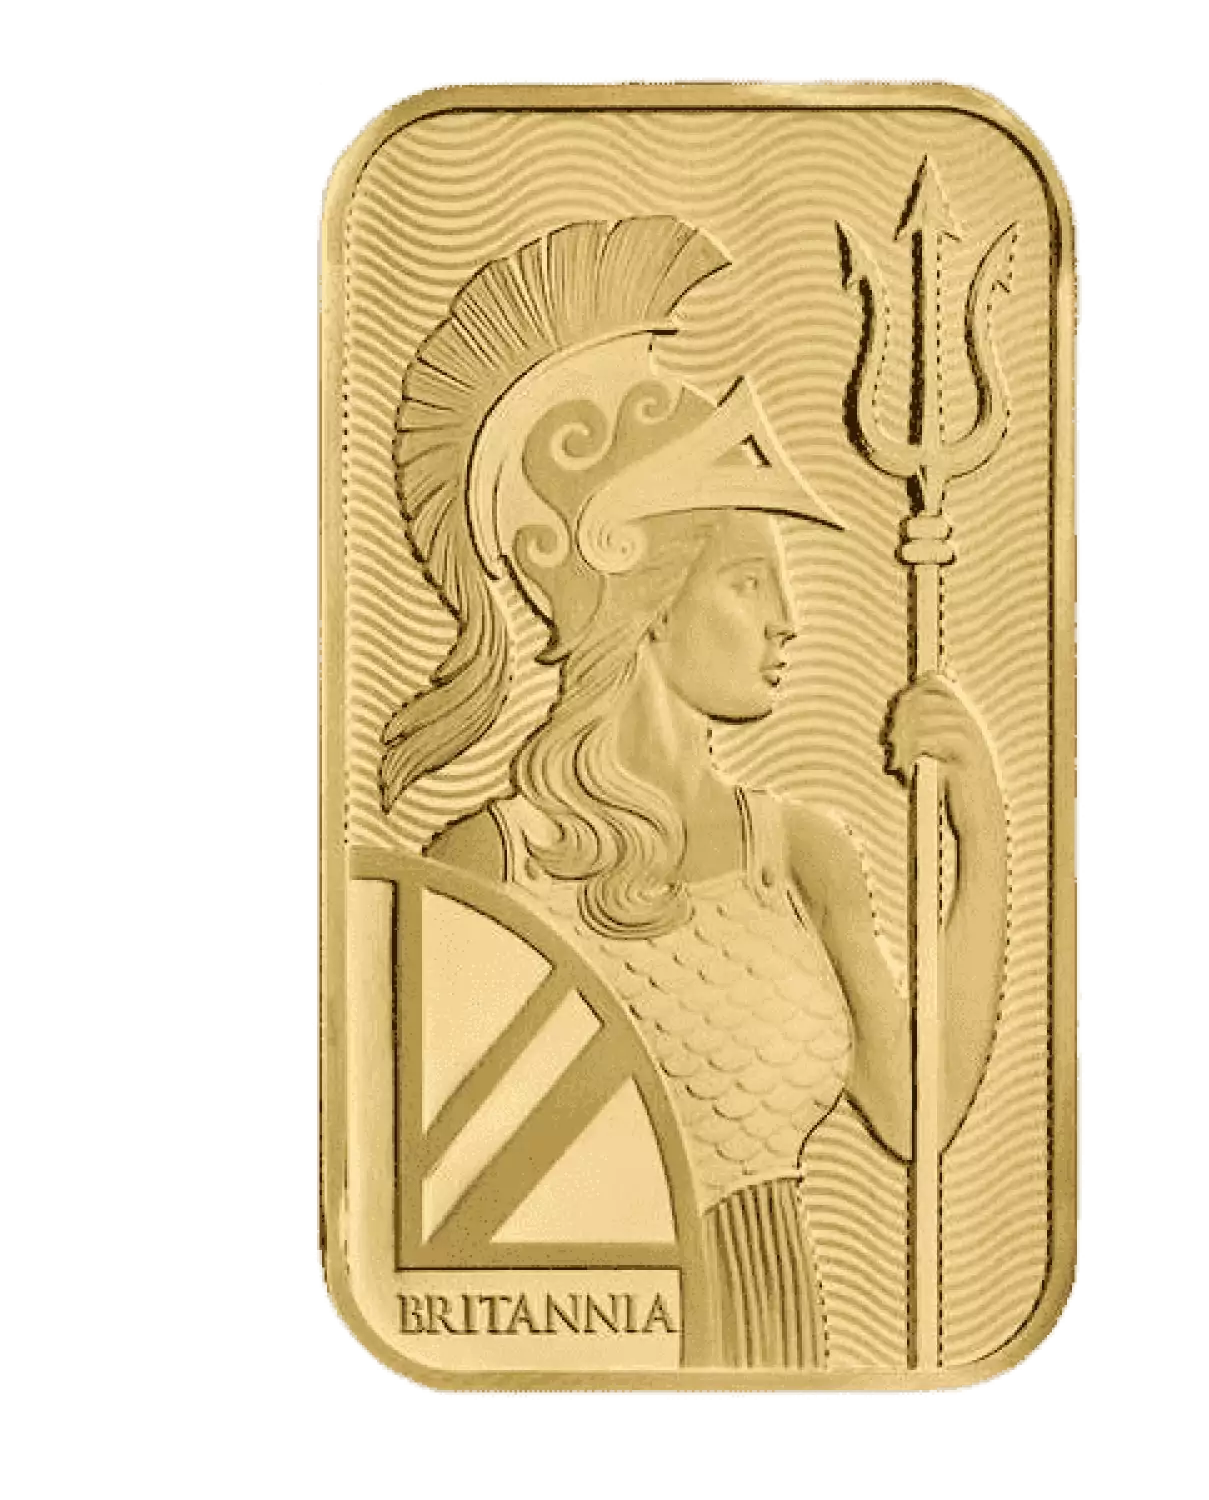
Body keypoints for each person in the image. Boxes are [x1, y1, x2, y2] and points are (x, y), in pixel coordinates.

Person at [382, 215, 1007, 1368]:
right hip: (591, 1349)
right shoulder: (489, 865)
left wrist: (987, 833)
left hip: (787, 1343)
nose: (788, 621)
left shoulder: (801, 851)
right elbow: (422, 1176)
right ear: (652, 603)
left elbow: (917, 1117)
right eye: (748, 584)